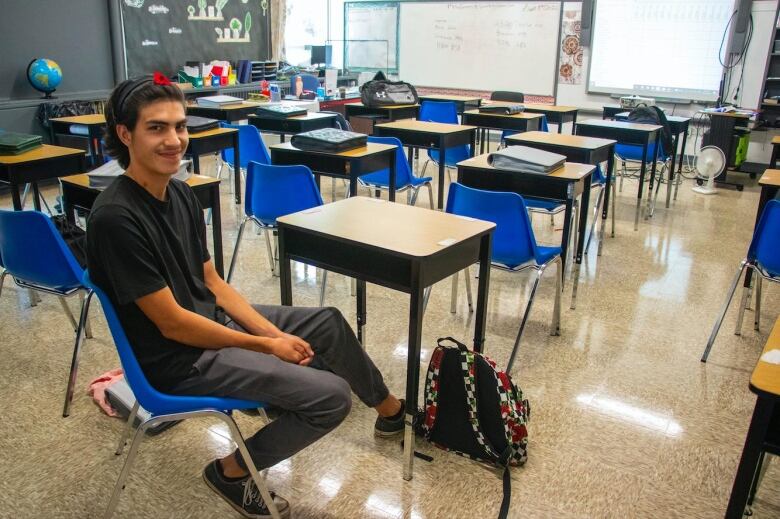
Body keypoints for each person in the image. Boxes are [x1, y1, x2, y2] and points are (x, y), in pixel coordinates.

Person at [86, 75, 405, 519]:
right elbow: (172, 324)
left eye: (180, 126)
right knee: (331, 398)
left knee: (327, 322)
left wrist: (274, 335)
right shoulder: (116, 218)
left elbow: (212, 284)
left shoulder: (178, 192)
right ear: (125, 134)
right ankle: (231, 472)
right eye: (156, 128)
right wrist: (267, 346)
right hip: (176, 360)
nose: (174, 140)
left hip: (209, 325)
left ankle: (392, 411)